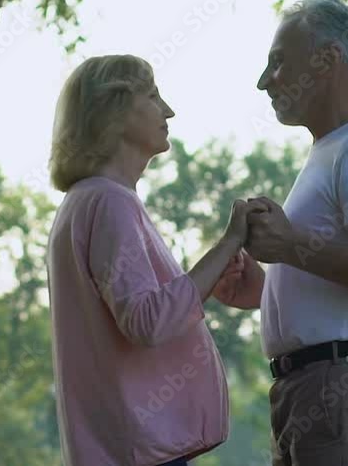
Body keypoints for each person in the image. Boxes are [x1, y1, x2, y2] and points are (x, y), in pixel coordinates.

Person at [213, 0, 348, 466]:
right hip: (314, 389)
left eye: (277, 63)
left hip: (338, 390)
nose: (263, 82)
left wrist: (291, 247)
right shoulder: (332, 151)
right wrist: (264, 287)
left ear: (329, 58)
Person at [45, 54, 251, 466]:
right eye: (153, 96)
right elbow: (146, 320)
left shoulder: (87, 201)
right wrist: (230, 242)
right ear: (115, 109)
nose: (168, 110)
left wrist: (213, 271)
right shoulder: (109, 202)